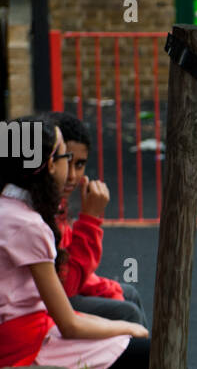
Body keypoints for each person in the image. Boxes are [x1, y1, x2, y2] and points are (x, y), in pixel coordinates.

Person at [0, 116, 150, 369]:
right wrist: (127, 329)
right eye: (65, 157)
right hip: (26, 347)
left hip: (32, 331)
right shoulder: (28, 224)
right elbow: (67, 314)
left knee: (132, 323)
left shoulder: (12, 207)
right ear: (48, 164)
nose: (70, 170)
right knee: (147, 350)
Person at [45, 111, 150, 326]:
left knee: (127, 293)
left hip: (57, 293)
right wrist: (90, 219)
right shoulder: (40, 210)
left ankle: (154, 359)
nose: (72, 175)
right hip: (42, 308)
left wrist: (107, 288)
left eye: (80, 165)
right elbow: (67, 286)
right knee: (127, 313)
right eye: (67, 161)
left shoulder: (57, 205)